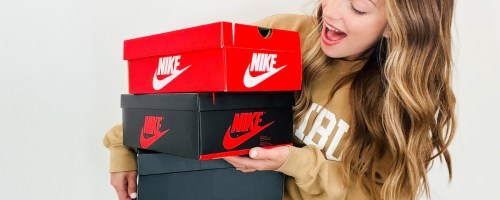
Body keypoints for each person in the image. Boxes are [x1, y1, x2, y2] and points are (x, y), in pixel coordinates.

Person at [104, 0, 456, 199]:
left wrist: (296, 162)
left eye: (358, 8)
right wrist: (123, 143)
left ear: (396, 25)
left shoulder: (399, 107)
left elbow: (375, 195)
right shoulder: (285, 35)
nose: (331, 12)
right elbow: (192, 99)